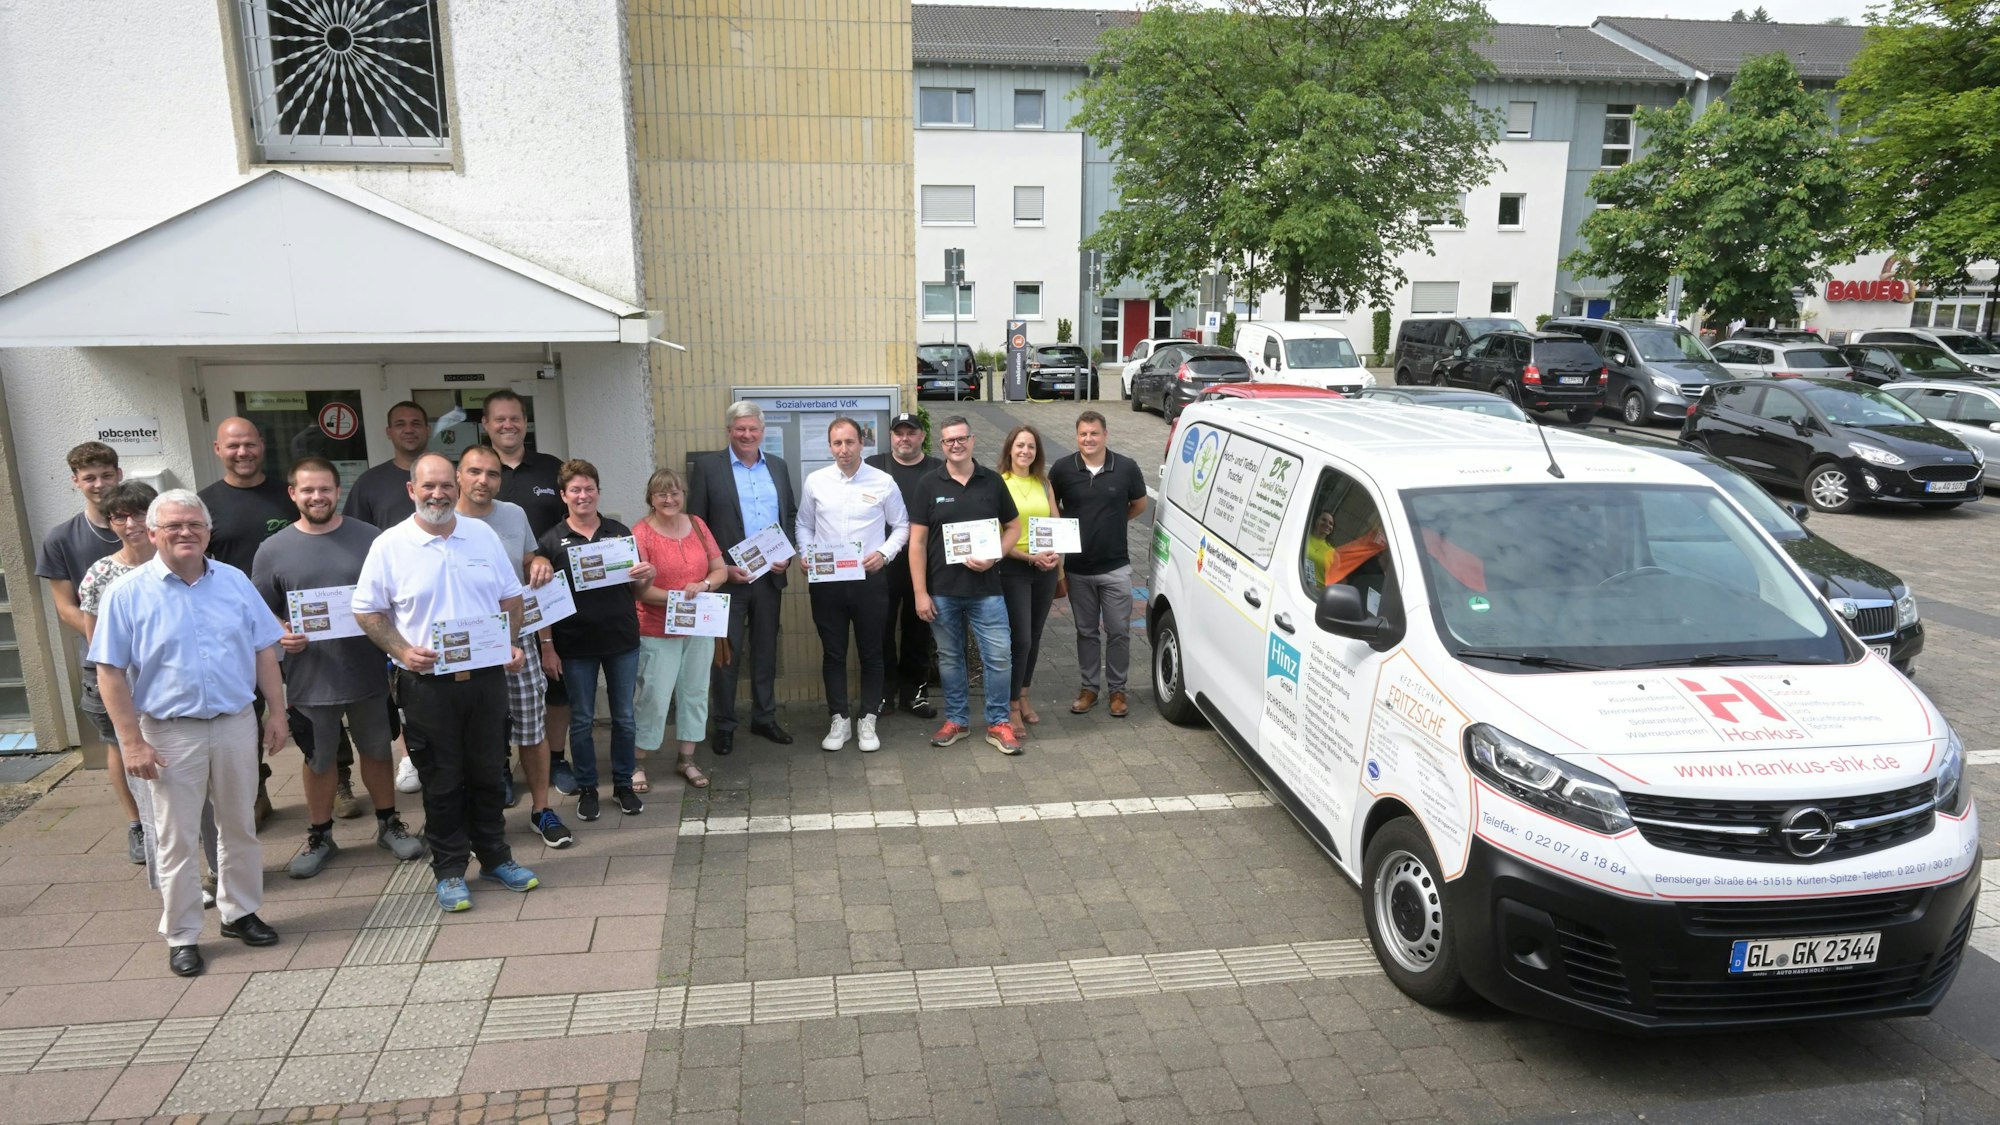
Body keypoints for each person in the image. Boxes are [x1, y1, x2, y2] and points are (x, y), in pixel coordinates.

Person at [89, 489, 289, 978]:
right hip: (169, 733)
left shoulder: (234, 581)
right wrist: (131, 742)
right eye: (173, 526)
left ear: (208, 531)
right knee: (175, 838)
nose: (185, 533)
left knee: (239, 825)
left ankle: (240, 913)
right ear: (152, 533)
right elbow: (109, 672)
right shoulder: (127, 593)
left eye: (194, 525)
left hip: (235, 722)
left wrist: (277, 713)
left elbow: (264, 650)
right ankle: (182, 934)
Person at [352, 453, 539, 913]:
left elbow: (511, 598)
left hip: (486, 680)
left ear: (456, 488)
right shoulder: (390, 545)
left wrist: (509, 644)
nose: (438, 494)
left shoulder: (482, 535)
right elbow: (366, 610)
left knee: (490, 772)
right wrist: (401, 650)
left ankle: (495, 857)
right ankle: (450, 869)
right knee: (441, 780)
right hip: (427, 686)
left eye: (445, 486)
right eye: (428, 486)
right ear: (411, 491)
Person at [251, 458, 426, 878]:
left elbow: (397, 595)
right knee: (318, 759)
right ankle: (320, 835)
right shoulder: (273, 550)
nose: (317, 497)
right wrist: (280, 631)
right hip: (311, 678)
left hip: (368, 671)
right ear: (293, 494)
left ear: (337, 491)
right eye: (308, 490)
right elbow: (258, 610)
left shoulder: (371, 538)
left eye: (325, 489)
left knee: (377, 751)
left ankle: (388, 824)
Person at [456, 445, 572, 847]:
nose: (483, 480)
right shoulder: (443, 522)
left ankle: (541, 810)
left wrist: (538, 562)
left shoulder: (513, 514)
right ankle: (484, 818)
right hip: (468, 640)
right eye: (474, 472)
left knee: (531, 727)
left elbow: (528, 561)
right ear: (459, 476)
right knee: (475, 734)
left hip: (517, 635)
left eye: (492, 474)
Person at [35, 441, 144, 862]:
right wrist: (114, 640)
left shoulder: (146, 524)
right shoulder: (62, 538)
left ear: (119, 474)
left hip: (159, 658)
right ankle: (137, 824)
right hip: (103, 663)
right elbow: (65, 607)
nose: (99, 484)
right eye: (89, 478)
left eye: (106, 475)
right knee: (120, 742)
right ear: (76, 482)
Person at [536, 459, 656, 821]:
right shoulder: (550, 541)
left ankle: (622, 784)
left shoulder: (619, 533)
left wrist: (647, 575)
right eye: (575, 489)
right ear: (563, 495)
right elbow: (544, 601)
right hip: (575, 645)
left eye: (589, 488)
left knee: (624, 717)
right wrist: (547, 647)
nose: (583, 495)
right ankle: (587, 788)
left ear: (598, 492)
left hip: (621, 639)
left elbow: (637, 590)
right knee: (582, 719)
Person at [198, 417, 300, 823]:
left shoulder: (288, 496)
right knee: (246, 713)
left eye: (249, 444)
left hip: (297, 624)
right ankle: (255, 790)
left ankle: (338, 777)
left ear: (262, 445)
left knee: (313, 704)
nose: (243, 452)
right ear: (217, 449)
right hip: (237, 631)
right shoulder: (204, 505)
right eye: (233, 446)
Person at [687, 401, 800, 755]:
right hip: (728, 580)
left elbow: (790, 515)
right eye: (740, 429)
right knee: (727, 654)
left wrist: (788, 553)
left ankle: (764, 717)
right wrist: (720, 568)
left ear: (762, 431)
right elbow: (696, 524)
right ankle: (724, 724)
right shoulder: (709, 468)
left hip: (769, 579)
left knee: (766, 650)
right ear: (729, 431)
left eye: (752, 429)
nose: (747, 435)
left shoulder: (778, 466)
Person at [908, 416, 1022, 755]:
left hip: (987, 589)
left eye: (961, 438)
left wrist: (995, 556)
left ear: (972, 440)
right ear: (941, 445)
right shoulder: (928, 484)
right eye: (949, 440)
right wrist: (920, 592)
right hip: (942, 590)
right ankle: (956, 720)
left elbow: (1014, 527)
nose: (955, 445)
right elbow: (916, 543)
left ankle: (998, 722)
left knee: (999, 657)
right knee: (949, 659)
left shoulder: (992, 482)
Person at [482, 389, 577, 795]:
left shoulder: (551, 468)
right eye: (499, 419)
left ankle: (556, 759)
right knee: (497, 691)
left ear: (525, 422)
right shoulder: (480, 473)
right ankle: (501, 766)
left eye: (515, 418)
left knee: (556, 682)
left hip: (548, 596)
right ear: (486, 425)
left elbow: (571, 521)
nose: (508, 425)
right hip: (495, 605)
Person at [796, 417, 909, 753]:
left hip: (869, 581)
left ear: (862, 443)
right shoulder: (816, 482)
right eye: (837, 443)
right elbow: (803, 524)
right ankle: (839, 719)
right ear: (830, 446)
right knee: (833, 653)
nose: (843, 449)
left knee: (872, 652)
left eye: (849, 442)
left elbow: (902, 526)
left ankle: (868, 718)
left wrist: (884, 554)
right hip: (827, 582)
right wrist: (806, 553)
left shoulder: (883, 482)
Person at [1049, 411, 1148, 719]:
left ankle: (1117, 690)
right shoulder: (1062, 469)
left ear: (1105, 434)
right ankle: (1089, 689)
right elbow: (1052, 506)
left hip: (1115, 567)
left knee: (1119, 631)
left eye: (1094, 433)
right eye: (1083, 434)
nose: (1088, 439)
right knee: (1086, 632)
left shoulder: (1126, 467)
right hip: (1078, 568)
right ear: (1076, 436)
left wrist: (1115, 521)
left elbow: (1140, 504)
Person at [632, 468, 726, 786]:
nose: (669, 499)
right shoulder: (641, 534)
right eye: (662, 494)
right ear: (651, 498)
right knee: (654, 697)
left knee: (695, 692)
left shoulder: (697, 524)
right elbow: (640, 591)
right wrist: (680, 599)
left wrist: (704, 585)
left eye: (675, 493)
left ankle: (686, 759)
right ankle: (637, 762)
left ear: (683, 495)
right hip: (657, 629)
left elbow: (720, 570)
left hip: (698, 628)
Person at [865, 413, 941, 719]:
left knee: (918, 631)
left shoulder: (937, 468)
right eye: (899, 433)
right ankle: (884, 693)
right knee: (880, 631)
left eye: (911, 433)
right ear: (891, 437)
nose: (905, 438)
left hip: (924, 565)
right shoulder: (874, 466)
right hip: (882, 564)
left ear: (922, 436)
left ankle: (915, 694)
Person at [997, 425, 1062, 734]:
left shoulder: (1044, 483)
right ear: (1010, 448)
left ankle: (1024, 695)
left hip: (1044, 570)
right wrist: (1028, 557)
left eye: (1031, 446)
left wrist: (1053, 554)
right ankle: (1011, 705)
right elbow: (997, 536)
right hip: (1013, 569)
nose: (1025, 451)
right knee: (1020, 638)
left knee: (1034, 635)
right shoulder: (999, 484)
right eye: (1020, 445)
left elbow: (1056, 524)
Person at [342, 401, 428, 530]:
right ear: (389, 432)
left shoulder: (449, 478)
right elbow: (353, 533)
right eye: (400, 424)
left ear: (428, 430)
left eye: (416, 424)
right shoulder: (368, 482)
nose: (409, 430)